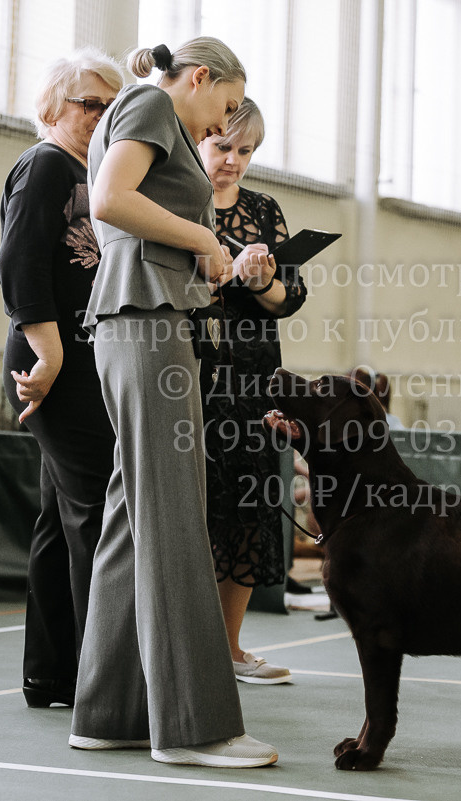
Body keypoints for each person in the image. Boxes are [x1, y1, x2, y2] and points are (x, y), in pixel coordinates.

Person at [68, 38, 277, 768]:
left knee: (134, 516)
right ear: (199, 78)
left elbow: (127, 218)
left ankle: (110, 712)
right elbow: (110, 201)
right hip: (145, 325)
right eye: (225, 106)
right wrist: (205, 238)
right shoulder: (152, 104)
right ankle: (196, 727)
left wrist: (198, 257)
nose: (222, 126)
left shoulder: (151, 113)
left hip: (144, 317)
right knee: (175, 514)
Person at [0, 48, 123, 709]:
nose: (101, 115)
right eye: (88, 103)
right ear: (52, 108)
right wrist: (48, 356)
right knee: (97, 511)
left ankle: (53, 673)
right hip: (52, 364)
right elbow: (20, 264)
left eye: (110, 105)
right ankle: (100, 678)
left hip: (76, 362)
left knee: (60, 516)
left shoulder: (90, 173)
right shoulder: (45, 164)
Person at [195, 98, 306, 685]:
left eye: (246, 151)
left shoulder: (264, 209)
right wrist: (222, 274)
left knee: (246, 508)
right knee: (196, 508)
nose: (233, 161)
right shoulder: (176, 200)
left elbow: (291, 298)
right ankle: (182, 646)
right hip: (192, 374)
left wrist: (262, 282)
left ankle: (230, 648)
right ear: (199, 137)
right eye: (223, 147)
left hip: (255, 380)